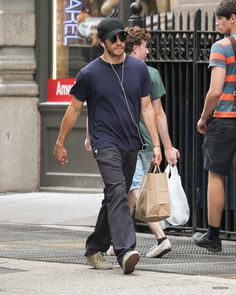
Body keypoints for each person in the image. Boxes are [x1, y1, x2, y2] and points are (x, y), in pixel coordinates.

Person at [54, 17, 162, 275]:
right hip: (105, 143)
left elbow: (147, 108)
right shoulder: (89, 73)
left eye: (122, 37)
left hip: (131, 143)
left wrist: (156, 145)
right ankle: (125, 251)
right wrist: (60, 142)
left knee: (113, 196)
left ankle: (94, 247)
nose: (119, 42)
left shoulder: (138, 69)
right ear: (101, 41)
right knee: (117, 191)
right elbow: (74, 110)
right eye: (113, 38)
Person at [106, 26, 179, 258]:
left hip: (128, 142)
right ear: (136, 47)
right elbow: (159, 114)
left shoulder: (117, 72)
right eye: (146, 46)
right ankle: (117, 242)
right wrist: (165, 146)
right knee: (128, 193)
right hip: (148, 141)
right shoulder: (151, 73)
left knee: (134, 190)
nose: (148, 51)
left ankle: (161, 237)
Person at [193, 0, 236, 252]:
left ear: (233, 18)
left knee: (216, 174)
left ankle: (213, 236)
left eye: (221, 18)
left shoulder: (221, 47)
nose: (217, 23)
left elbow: (214, 91)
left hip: (225, 120)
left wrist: (203, 117)